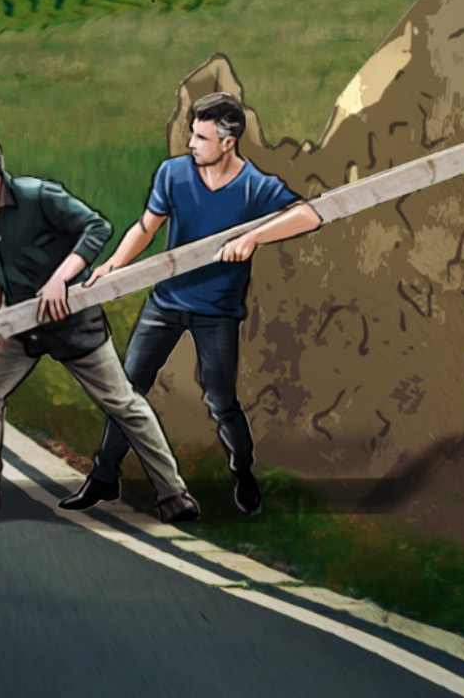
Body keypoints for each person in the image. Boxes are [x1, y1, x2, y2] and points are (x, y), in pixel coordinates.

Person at [69, 92, 324, 517]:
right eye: (192, 134)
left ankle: (242, 472)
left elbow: (309, 215)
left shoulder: (255, 187)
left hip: (217, 311)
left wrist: (253, 237)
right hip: (166, 301)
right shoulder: (173, 174)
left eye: (202, 138)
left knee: (221, 400)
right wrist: (112, 266)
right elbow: (146, 228)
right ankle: (103, 476)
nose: (191, 144)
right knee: (127, 392)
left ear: (228, 142)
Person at [0, 132, 201, 524]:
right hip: (23, 327)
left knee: (122, 403)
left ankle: (173, 494)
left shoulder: (39, 196)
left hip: (74, 322)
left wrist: (62, 279)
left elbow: (97, 227)